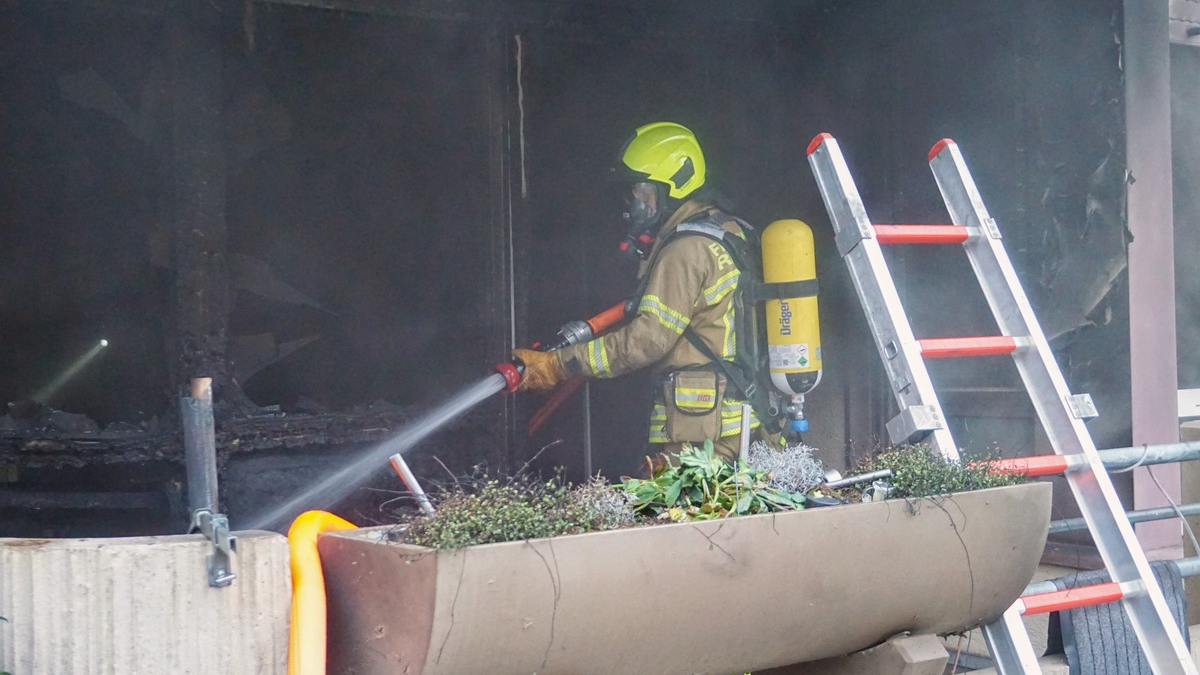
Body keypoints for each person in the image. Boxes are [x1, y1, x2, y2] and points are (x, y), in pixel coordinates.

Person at [512, 121, 772, 463]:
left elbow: (646, 341)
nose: (633, 204)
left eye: (641, 192)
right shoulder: (728, 232)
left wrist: (559, 365)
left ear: (674, 186)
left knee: (678, 512)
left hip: (704, 436)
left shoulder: (685, 250)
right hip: (739, 421)